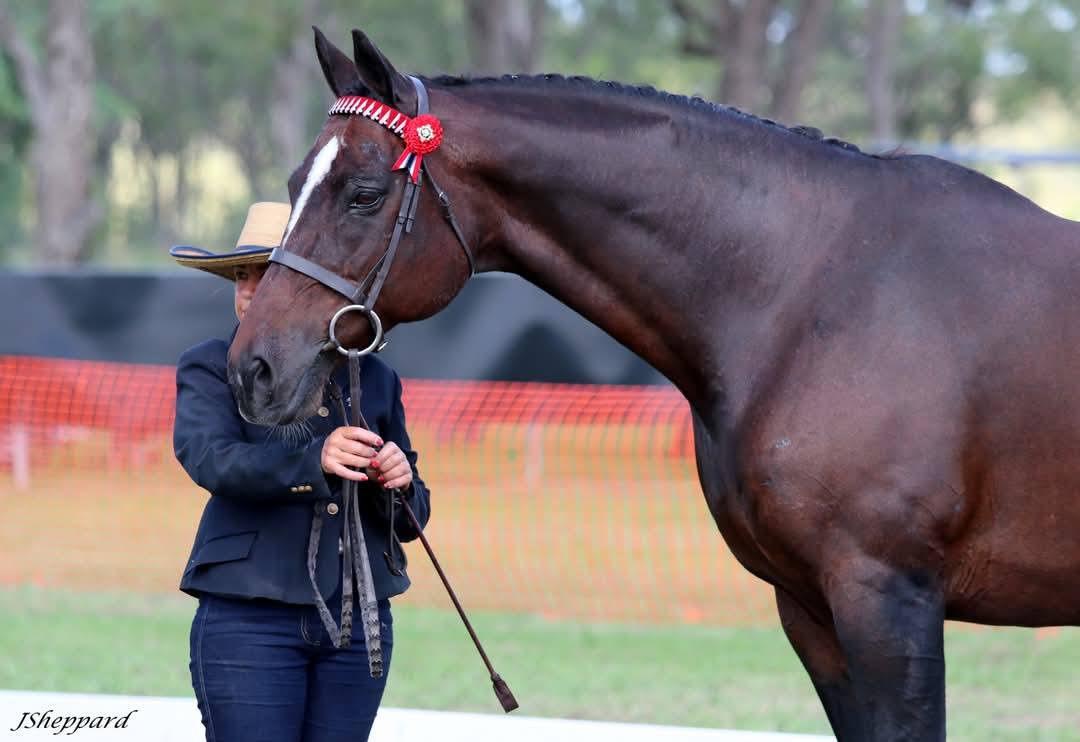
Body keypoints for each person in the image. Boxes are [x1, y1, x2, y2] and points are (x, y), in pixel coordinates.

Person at [170, 202, 431, 742]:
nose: (248, 291)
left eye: (265, 275)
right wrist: (314, 461)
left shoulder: (376, 377)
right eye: (241, 276)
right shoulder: (212, 364)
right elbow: (209, 458)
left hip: (357, 626)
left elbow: (412, 520)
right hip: (249, 619)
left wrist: (397, 480)